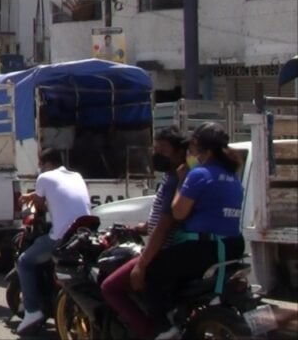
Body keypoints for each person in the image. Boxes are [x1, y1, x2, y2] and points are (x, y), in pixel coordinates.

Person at [145, 122, 245, 340]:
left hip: (203, 247)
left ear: (205, 151)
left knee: (151, 270)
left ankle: (165, 328)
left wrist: (181, 182)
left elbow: (178, 212)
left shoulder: (198, 174)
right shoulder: (232, 176)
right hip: (233, 245)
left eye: (193, 149)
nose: (191, 154)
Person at [100, 126, 189, 339]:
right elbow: (158, 220)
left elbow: (165, 224)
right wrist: (139, 227)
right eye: (155, 149)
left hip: (162, 250)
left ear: (178, 151)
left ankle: (152, 332)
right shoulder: (170, 178)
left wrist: (142, 263)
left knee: (110, 287)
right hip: (164, 246)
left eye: (163, 149)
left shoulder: (175, 180)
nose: (157, 154)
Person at [16, 148, 92, 334]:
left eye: (40, 164)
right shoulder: (76, 176)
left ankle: (32, 311)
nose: (40, 167)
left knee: (24, 262)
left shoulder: (44, 177)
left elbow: (39, 206)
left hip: (61, 238)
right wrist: (34, 195)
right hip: (84, 234)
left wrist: (33, 199)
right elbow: (54, 194)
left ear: (47, 164)